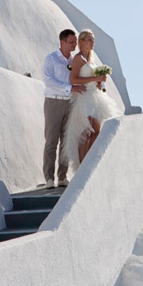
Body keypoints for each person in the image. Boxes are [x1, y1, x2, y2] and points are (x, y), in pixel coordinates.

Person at [62, 29, 122, 170]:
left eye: (93, 39)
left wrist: (99, 82)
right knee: (86, 131)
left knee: (97, 130)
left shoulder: (91, 60)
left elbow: (92, 78)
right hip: (84, 97)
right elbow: (74, 79)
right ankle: (83, 166)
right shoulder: (78, 58)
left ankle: (90, 162)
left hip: (95, 96)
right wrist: (95, 78)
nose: (93, 42)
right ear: (81, 41)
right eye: (90, 39)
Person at [42, 29, 85, 189]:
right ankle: (49, 177)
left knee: (66, 141)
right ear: (63, 42)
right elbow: (48, 81)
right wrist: (70, 88)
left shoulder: (74, 60)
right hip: (53, 102)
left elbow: (79, 78)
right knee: (51, 140)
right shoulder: (51, 59)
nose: (75, 44)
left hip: (70, 103)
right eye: (72, 42)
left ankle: (62, 176)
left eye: (75, 41)